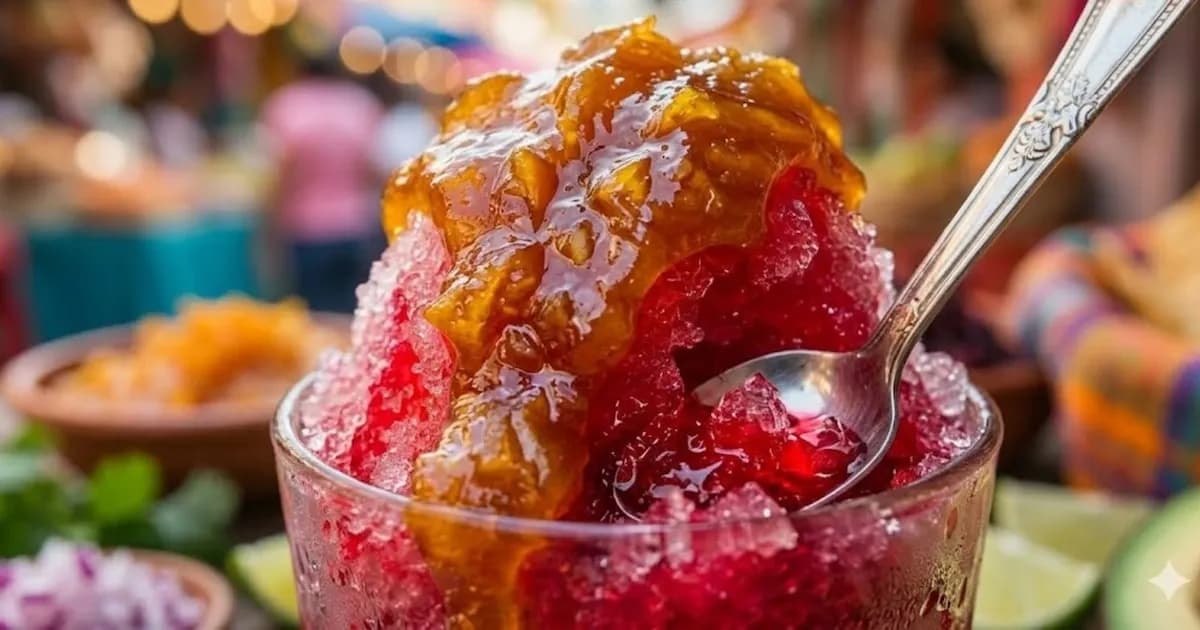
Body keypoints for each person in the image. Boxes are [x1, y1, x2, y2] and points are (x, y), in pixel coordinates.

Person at [261, 54, 384, 313]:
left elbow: (284, 172)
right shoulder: (359, 103)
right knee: (354, 313)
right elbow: (372, 168)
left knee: (314, 315)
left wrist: (269, 225)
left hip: (306, 230)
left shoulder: (288, 104)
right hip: (355, 225)